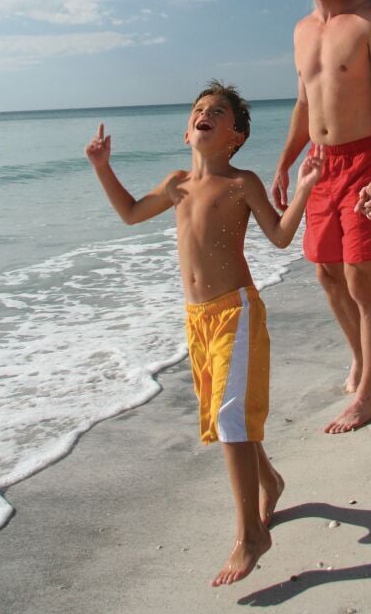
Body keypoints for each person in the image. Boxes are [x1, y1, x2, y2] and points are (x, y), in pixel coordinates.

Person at [85, 81, 323, 587]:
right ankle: (270, 480)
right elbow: (129, 214)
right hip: (196, 319)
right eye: (198, 109)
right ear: (186, 129)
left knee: (230, 415)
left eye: (217, 111)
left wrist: (302, 188)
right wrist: (103, 168)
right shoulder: (177, 185)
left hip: (236, 312)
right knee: (224, 413)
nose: (204, 114)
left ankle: (250, 536)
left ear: (234, 136)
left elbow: (280, 238)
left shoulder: (242, 183)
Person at [271, 0, 371, 434]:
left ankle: (370, 394)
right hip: (320, 163)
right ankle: (361, 359)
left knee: (360, 280)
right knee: (326, 273)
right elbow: (305, 102)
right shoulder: (301, 30)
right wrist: (286, 161)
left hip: (367, 160)